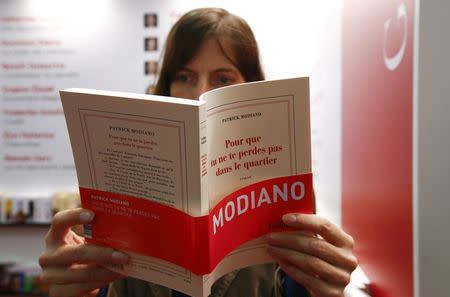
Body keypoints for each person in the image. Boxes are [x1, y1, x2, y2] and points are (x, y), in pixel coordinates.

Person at [39, 8, 357, 297]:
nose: (202, 92)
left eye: (223, 78)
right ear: (167, 87)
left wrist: (325, 291)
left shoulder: (285, 185)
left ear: (251, 88)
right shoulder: (120, 187)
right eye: (185, 77)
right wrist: (75, 290)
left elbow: (292, 287)